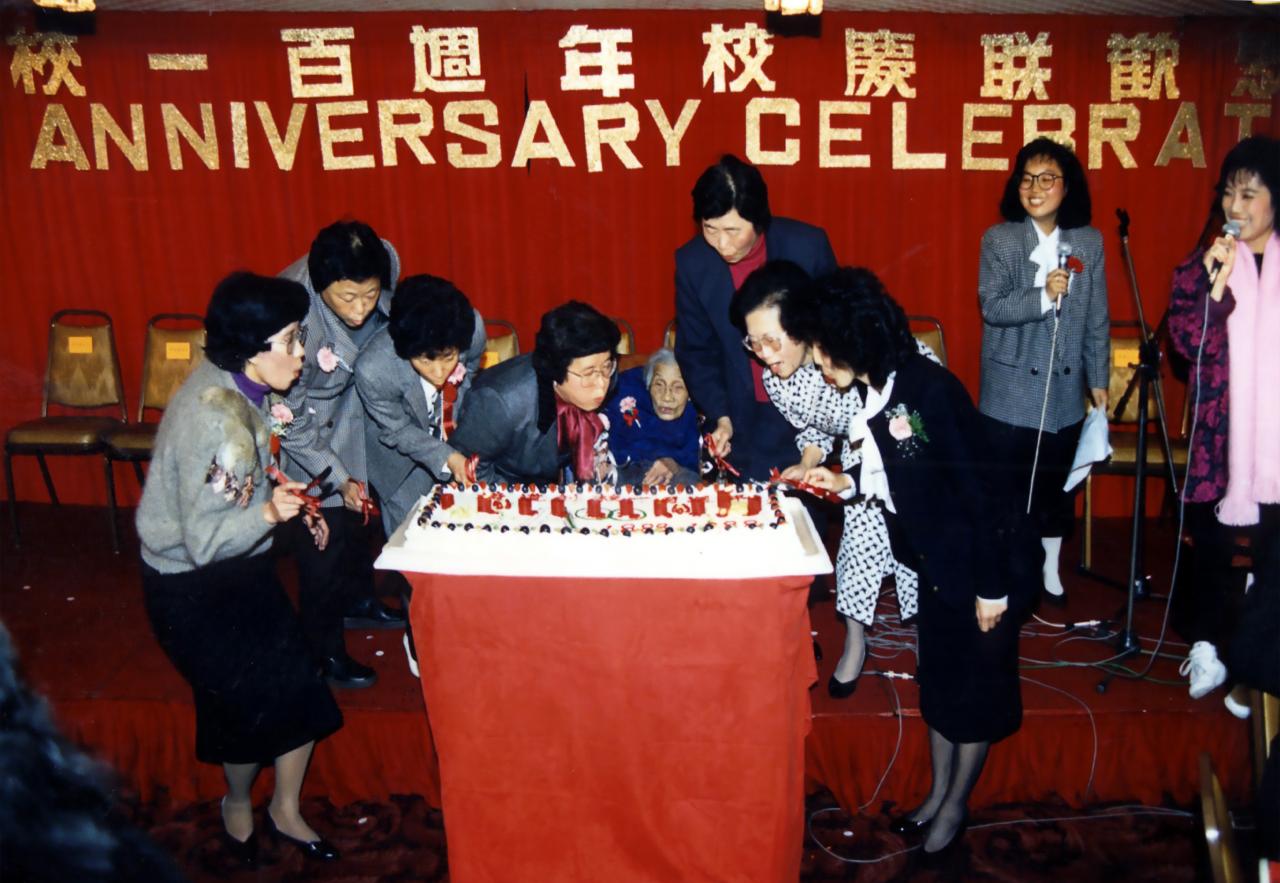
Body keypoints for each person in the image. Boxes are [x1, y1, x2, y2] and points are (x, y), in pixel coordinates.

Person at [800, 268, 1037, 864]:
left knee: (975, 694)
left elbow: (980, 494)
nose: (820, 365)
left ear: (852, 340)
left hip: (982, 566)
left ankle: (956, 804)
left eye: (823, 351)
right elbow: (901, 471)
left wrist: (990, 588)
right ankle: (935, 794)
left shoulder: (929, 391)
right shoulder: (880, 388)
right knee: (940, 682)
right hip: (935, 562)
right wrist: (845, 480)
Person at [136, 271, 343, 863]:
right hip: (190, 584)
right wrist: (272, 514)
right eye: (291, 340)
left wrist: (288, 501)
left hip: (239, 565)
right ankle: (237, 802)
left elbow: (249, 475)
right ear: (253, 348)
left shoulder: (241, 382)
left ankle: (284, 808)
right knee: (247, 705)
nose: (301, 353)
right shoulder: (217, 421)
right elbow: (204, 543)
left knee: (301, 681)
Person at [732, 260, 938, 697]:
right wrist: (808, 461)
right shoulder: (778, 379)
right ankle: (855, 643)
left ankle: (930, 642)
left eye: (772, 340)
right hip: (857, 458)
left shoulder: (852, 348)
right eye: (754, 343)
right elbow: (815, 426)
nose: (764, 354)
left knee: (920, 550)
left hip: (910, 454)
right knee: (856, 551)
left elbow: (922, 413)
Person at [1167, 135, 1279, 703]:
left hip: (1275, 439)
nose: (1236, 206)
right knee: (1210, 546)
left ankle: (1252, 670)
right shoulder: (1200, 266)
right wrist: (1216, 284)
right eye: (1230, 193)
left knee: (1273, 558)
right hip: (1220, 432)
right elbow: (1188, 346)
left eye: (1250, 194)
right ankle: (1207, 648)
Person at [977, 137, 1110, 606]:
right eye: (1027, 179)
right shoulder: (1000, 240)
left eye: (1047, 178)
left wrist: (1098, 380)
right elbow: (993, 308)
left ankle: (1050, 568)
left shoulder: (1089, 242)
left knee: (1055, 488)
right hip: (1009, 393)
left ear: (1067, 187)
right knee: (1007, 494)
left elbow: (1097, 317)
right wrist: (1043, 296)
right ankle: (1003, 577)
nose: (1035, 188)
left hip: (1065, 392)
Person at [279, 220, 403, 690]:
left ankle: (360, 600)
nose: (360, 309)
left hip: (355, 404)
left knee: (359, 523)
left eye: (369, 295)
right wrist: (336, 475)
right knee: (323, 544)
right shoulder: (294, 320)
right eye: (347, 298)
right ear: (320, 285)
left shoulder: (384, 258)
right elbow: (287, 419)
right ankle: (323, 650)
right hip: (308, 424)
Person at [675, 153, 837, 481]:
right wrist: (721, 417)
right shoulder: (693, 263)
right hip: (742, 416)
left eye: (733, 230)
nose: (722, 243)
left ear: (758, 220)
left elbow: (834, 328)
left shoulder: (807, 247)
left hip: (811, 410)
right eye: (710, 229)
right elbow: (697, 351)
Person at [355, 274, 486, 676]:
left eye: (448, 357)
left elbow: (469, 373)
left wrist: (455, 440)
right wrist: (446, 458)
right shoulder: (374, 368)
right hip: (399, 461)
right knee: (416, 555)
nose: (440, 370)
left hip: (453, 439)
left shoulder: (472, 329)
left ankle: (464, 629)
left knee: (464, 544)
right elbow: (396, 431)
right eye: (426, 361)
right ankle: (419, 637)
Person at [451, 301, 621, 485]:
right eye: (588, 373)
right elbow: (468, 467)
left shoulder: (603, 375)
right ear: (556, 370)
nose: (601, 384)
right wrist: (526, 497)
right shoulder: (501, 401)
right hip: (508, 486)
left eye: (607, 366)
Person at [601, 349, 700, 487]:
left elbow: (694, 459)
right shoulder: (624, 392)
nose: (667, 397)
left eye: (678, 387)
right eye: (659, 385)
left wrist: (673, 464)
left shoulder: (697, 412)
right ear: (648, 384)